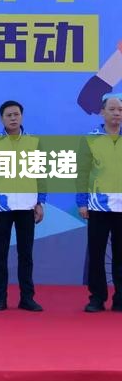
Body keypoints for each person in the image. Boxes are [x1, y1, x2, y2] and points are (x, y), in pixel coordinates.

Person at [0, 100, 46, 312]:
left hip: (27, 207)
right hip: (2, 207)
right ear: (2, 119)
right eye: (8, 115)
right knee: (0, 255)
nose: (13, 118)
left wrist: (40, 202)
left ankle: (27, 298)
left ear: (22, 116)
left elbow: (41, 175)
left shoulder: (34, 142)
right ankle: (0, 298)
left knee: (26, 255)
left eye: (16, 114)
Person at [76, 93, 122, 312]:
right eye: (112, 109)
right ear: (102, 112)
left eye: (120, 110)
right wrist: (82, 202)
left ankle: (120, 298)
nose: (117, 113)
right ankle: (97, 297)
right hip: (98, 206)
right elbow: (82, 173)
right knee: (96, 253)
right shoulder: (90, 139)